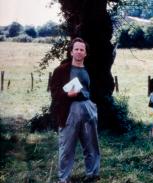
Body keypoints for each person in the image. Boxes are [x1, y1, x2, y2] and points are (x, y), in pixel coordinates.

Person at [50, 37, 100, 183]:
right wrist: (67, 95)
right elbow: (54, 93)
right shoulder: (61, 70)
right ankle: (64, 179)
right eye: (76, 49)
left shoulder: (90, 70)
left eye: (81, 50)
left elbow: (95, 90)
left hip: (88, 108)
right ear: (71, 52)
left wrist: (92, 105)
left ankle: (92, 174)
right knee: (66, 147)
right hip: (69, 110)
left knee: (91, 144)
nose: (79, 52)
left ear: (85, 53)